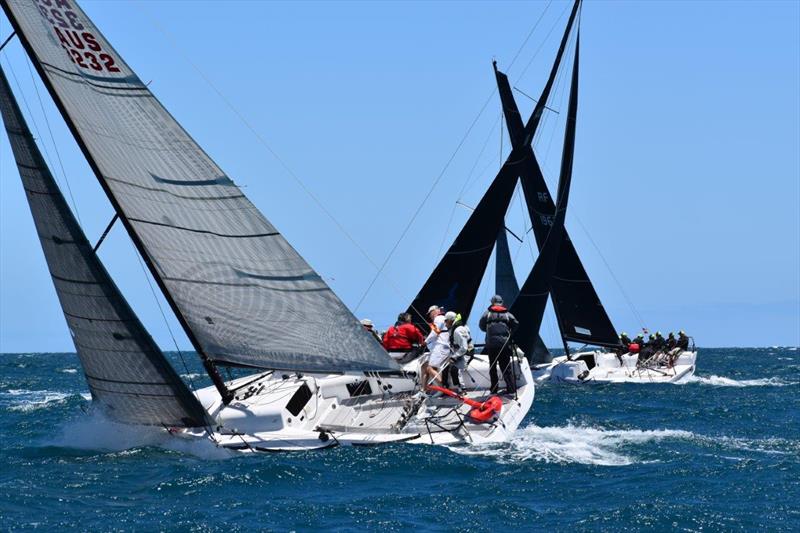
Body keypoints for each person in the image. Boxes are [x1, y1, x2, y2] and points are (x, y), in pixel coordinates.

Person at [479, 295, 519, 394]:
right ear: (501, 302)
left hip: (491, 345)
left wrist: (489, 331)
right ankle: (511, 389)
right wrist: (509, 333)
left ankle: (494, 389)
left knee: (492, 368)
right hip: (504, 345)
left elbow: (481, 326)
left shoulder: (487, 314)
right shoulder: (507, 314)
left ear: (492, 302)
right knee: (506, 367)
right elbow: (516, 324)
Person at [442, 312, 472, 391]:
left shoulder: (458, 331)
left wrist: (454, 357)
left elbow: (464, 347)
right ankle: (445, 387)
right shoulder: (452, 329)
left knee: (455, 369)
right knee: (444, 366)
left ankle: (462, 389)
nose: (445, 324)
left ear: (451, 321)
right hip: (459, 352)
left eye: (446, 321)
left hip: (466, 353)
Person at [421, 313, 450, 391]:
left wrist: (425, 342)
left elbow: (435, 332)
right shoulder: (442, 319)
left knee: (430, 368)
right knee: (425, 366)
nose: (430, 317)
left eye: (430, 314)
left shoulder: (438, 318)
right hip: (441, 347)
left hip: (441, 347)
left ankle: (443, 388)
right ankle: (424, 389)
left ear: (434, 312)